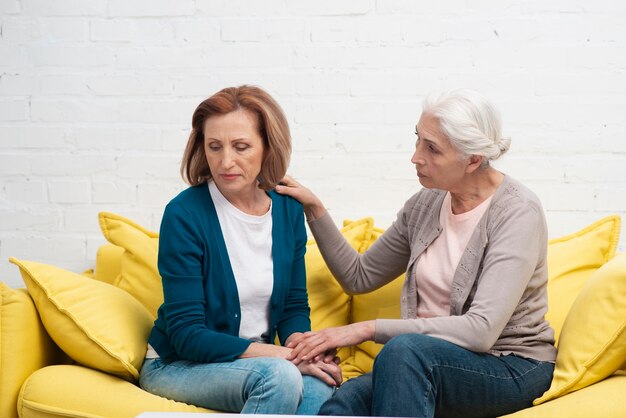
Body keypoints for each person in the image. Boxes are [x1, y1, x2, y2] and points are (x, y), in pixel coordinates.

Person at [276, 89, 556, 417]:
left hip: (510, 365)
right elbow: (359, 276)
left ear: (473, 159)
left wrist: (364, 329)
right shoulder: (426, 204)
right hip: (422, 362)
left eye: (432, 149)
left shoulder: (517, 212)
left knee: (402, 352)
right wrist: (315, 208)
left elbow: (481, 331)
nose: (415, 157)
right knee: (344, 403)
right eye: (418, 140)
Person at [138, 85, 341, 415]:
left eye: (241, 146)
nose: (225, 161)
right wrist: (286, 357)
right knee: (281, 377)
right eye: (214, 147)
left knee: (323, 386)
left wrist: (304, 349)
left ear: (267, 148)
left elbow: (292, 306)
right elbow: (188, 335)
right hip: (178, 365)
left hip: (255, 364)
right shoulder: (185, 215)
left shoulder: (288, 210)